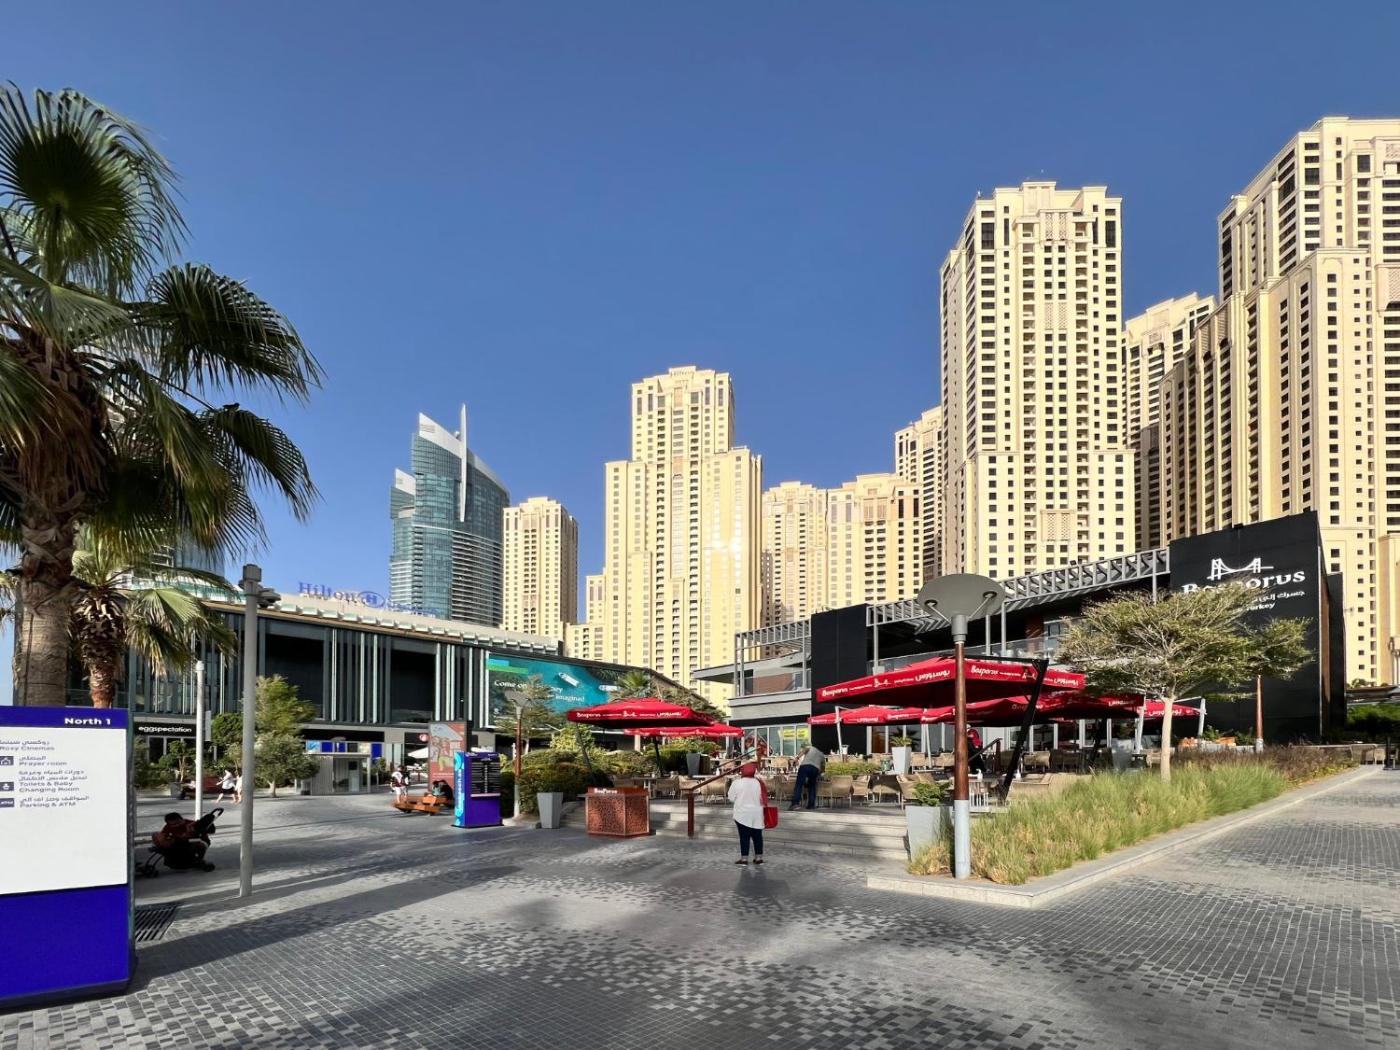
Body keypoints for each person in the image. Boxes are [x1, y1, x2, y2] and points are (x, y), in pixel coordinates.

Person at [727, 763, 766, 865]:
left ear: (742, 771)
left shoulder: (737, 783)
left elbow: (731, 798)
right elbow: (763, 797)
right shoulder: (758, 782)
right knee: (757, 836)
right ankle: (758, 858)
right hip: (757, 813)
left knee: (744, 837)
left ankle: (744, 859)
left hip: (742, 814)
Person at [789, 744, 826, 810]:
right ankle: (811, 805)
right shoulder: (822, 755)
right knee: (812, 786)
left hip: (805, 766)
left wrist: (797, 758)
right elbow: (823, 767)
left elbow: (805, 750)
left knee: (799, 784)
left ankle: (795, 804)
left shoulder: (811, 747)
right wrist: (819, 773)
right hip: (815, 769)